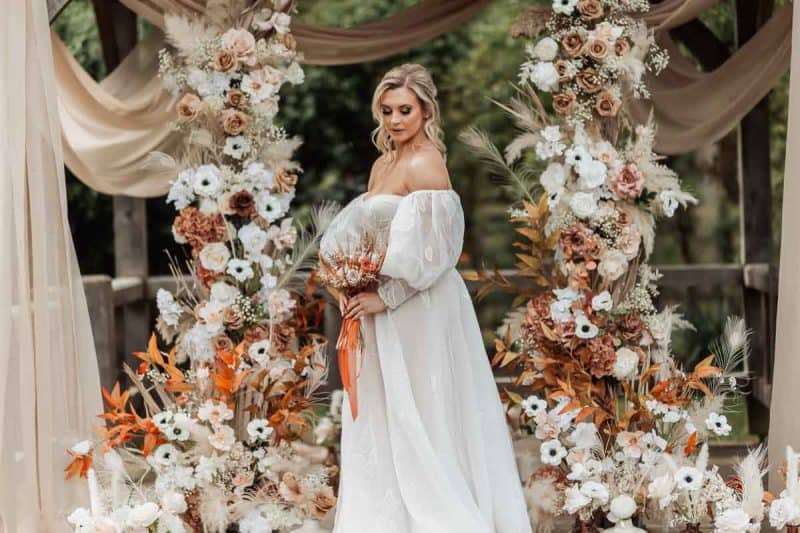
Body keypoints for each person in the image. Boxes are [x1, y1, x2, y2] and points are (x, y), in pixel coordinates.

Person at [320, 64, 532, 533]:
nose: (395, 120)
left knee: (422, 406)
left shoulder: (427, 162)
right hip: (379, 306)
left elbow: (438, 250)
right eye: (387, 110)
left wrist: (386, 295)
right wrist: (348, 281)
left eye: (405, 110)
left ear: (425, 111)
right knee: (386, 406)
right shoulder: (382, 164)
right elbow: (369, 234)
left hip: (419, 305)